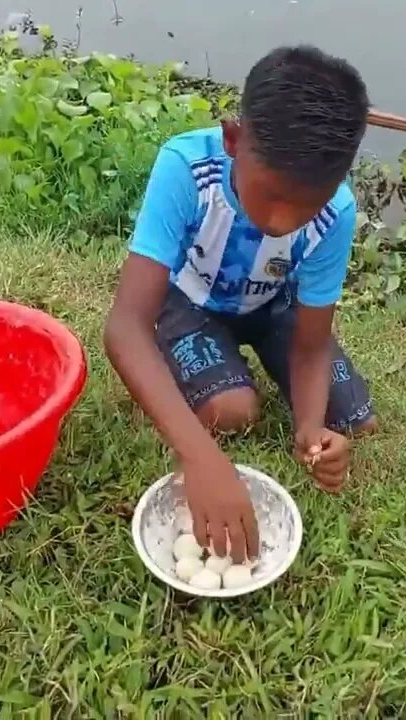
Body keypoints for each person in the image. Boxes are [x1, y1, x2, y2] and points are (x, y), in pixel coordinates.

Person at [104, 45, 376, 563]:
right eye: (271, 194)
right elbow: (124, 328)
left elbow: (312, 347)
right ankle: (197, 374)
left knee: (354, 420)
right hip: (190, 302)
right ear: (233, 139)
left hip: (274, 306)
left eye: (305, 205)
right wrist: (202, 458)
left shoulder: (335, 213)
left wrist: (311, 430)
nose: (281, 221)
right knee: (231, 413)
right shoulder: (187, 169)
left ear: (337, 182)